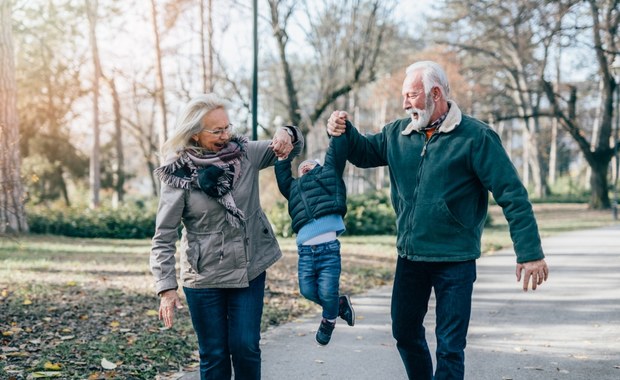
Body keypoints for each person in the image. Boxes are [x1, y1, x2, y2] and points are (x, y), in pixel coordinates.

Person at [326, 61, 549, 380]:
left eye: (412, 95)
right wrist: (343, 129)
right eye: (404, 96)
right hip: (411, 257)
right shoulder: (397, 134)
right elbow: (362, 153)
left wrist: (530, 253)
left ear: (436, 93)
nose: (405, 103)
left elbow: (511, 193)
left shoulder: (476, 137)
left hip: (455, 259)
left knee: (450, 347)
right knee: (404, 332)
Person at [149, 93, 303, 380]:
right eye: (216, 130)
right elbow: (164, 234)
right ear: (194, 134)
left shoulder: (245, 154)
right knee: (214, 356)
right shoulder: (178, 174)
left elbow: (289, 148)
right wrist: (166, 287)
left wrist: (288, 132)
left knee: (246, 347)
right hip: (203, 276)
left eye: (227, 127)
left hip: (249, 268)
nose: (225, 135)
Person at [274, 134, 355, 346]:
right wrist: (283, 157)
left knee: (327, 290)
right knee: (307, 290)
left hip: (328, 250)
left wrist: (338, 133)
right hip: (305, 253)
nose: (305, 167)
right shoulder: (294, 189)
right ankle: (339, 305)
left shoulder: (329, 175)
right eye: (302, 167)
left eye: (310, 164)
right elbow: (283, 176)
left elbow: (335, 154)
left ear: (320, 168)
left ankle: (328, 321)